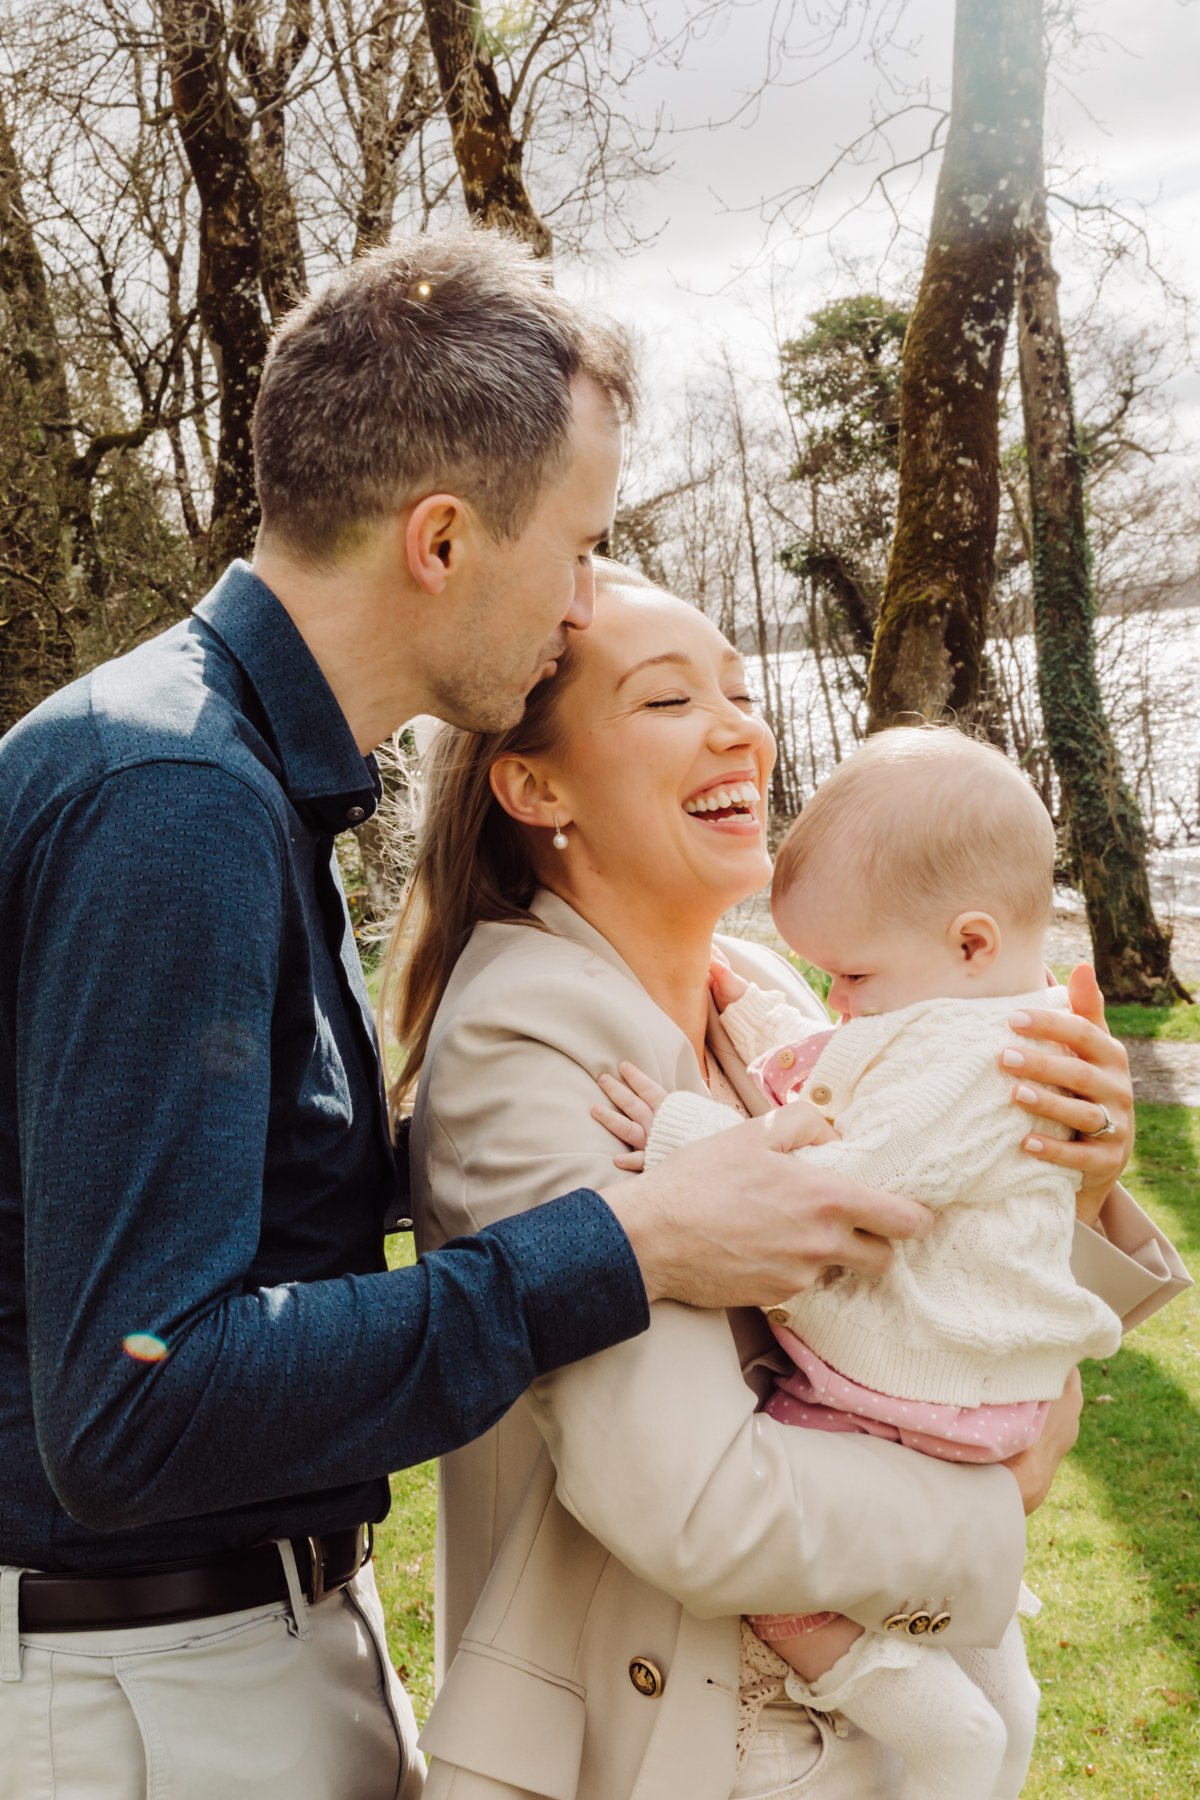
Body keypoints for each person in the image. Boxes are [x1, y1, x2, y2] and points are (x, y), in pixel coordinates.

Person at [0, 230, 939, 1800]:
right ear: (441, 539)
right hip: (150, 1699)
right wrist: (629, 1249)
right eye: (577, 544)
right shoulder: (175, 802)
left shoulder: (212, 774)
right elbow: (142, 1401)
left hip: (218, 1651)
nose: (584, 600)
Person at [394, 568, 1188, 1799]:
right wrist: (1000, 1498)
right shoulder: (527, 1037)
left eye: (742, 687)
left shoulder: (769, 982)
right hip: (677, 1751)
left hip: (850, 1726)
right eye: (669, 700)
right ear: (535, 786)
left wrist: (1071, 1184)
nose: (741, 728)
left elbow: (937, 1271)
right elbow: (696, 1503)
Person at [593, 727, 1133, 1800]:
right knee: (1002, 1692)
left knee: (885, 1676)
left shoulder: (972, 1052)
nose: (837, 999)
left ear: (972, 944)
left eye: (850, 974)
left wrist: (679, 1136)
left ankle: (943, 1745)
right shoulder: (970, 1014)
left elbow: (851, 1179)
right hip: (979, 1406)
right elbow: (842, 1083)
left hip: (898, 1401)